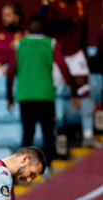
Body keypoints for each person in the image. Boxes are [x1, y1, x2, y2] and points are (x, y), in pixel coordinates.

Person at [7, 16, 80, 164]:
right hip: (46, 96)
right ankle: (46, 169)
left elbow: (10, 71)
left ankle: (24, 172)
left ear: (28, 29)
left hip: (25, 97)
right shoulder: (50, 44)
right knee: (48, 134)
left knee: (28, 135)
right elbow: (63, 67)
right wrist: (74, 93)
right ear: (43, 29)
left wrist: (9, 96)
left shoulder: (19, 45)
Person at [42, 0, 94, 142]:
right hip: (58, 53)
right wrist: (69, 22)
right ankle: (54, 136)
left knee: (84, 88)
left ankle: (88, 134)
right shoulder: (53, 4)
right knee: (50, 92)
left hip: (76, 51)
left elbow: (84, 29)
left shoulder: (81, 4)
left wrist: (84, 50)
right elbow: (45, 27)